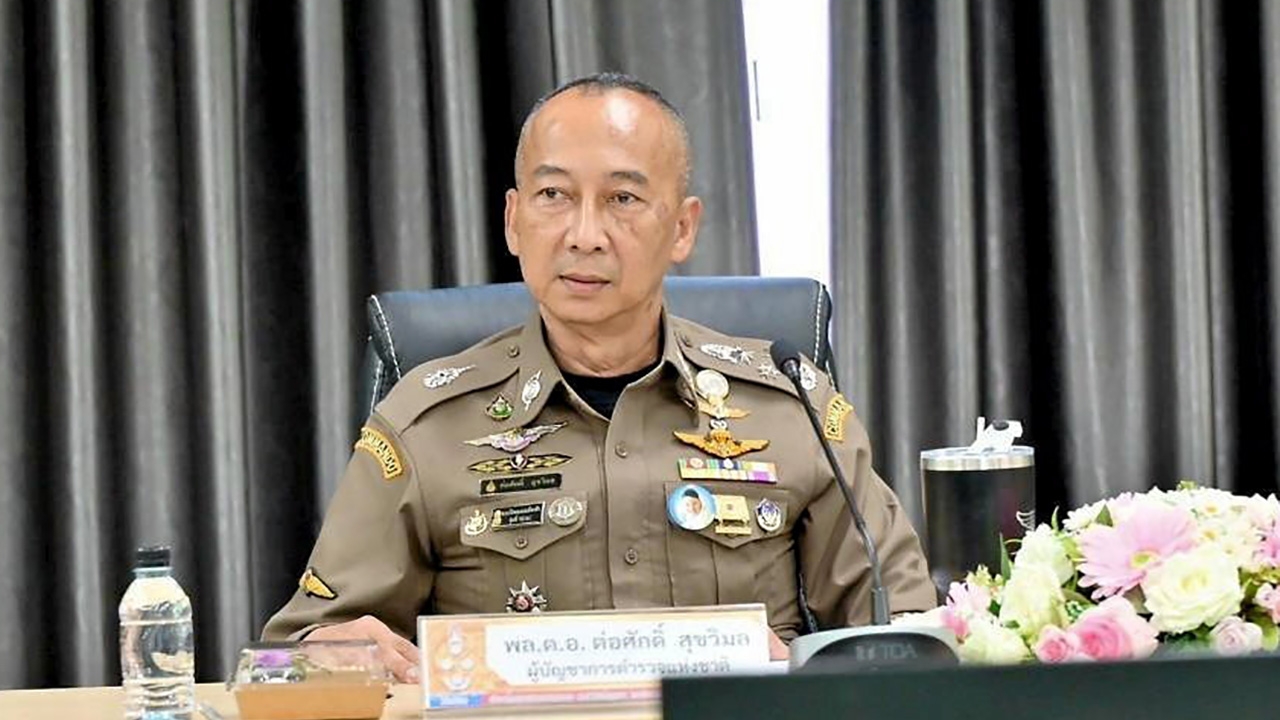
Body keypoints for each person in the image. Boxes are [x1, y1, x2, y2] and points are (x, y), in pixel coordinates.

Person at [262, 72, 935, 681]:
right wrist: (332, 655)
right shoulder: (425, 425)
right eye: (554, 195)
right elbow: (294, 654)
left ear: (682, 228)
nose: (585, 234)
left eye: (623, 198)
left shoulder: (790, 408)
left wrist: (799, 673)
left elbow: (908, 636)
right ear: (514, 221)